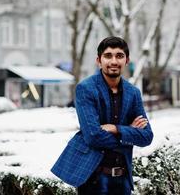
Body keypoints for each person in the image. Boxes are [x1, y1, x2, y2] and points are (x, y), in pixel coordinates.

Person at [51, 36, 153, 195]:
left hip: (123, 179)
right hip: (93, 178)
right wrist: (128, 132)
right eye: (108, 56)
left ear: (127, 60)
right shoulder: (86, 89)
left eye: (119, 56)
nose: (114, 61)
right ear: (99, 60)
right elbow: (93, 136)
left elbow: (147, 136)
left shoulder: (133, 93)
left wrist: (115, 128)